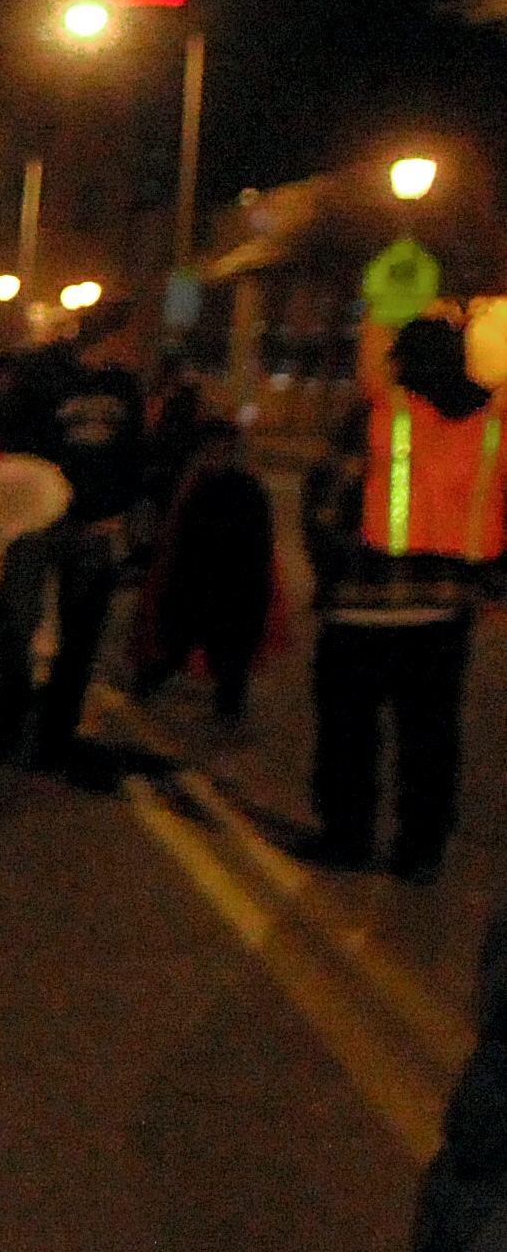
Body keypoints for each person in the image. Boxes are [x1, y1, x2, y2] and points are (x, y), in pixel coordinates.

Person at [304, 314, 503, 881]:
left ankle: (349, 838)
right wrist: (484, 587)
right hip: (444, 612)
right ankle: (421, 850)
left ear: (402, 361)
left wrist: (330, 572)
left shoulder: (375, 417)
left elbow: (326, 508)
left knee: (350, 734)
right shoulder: (489, 424)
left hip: (360, 609)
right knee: (431, 737)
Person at [0, 307, 149, 771]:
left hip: (96, 525)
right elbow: (16, 440)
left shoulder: (124, 387)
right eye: (127, 338)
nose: (132, 349)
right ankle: (11, 723)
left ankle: (58, 730)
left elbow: (133, 453)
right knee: (20, 620)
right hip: (42, 520)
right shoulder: (45, 375)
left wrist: (122, 509)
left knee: (83, 631)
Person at [134, 398, 277, 729]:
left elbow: (258, 544)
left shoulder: (238, 487)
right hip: (205, 580)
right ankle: (161, 682)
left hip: (227, 582)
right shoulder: (204, 485)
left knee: (219, 648)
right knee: (184, 638)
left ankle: (226, 707)